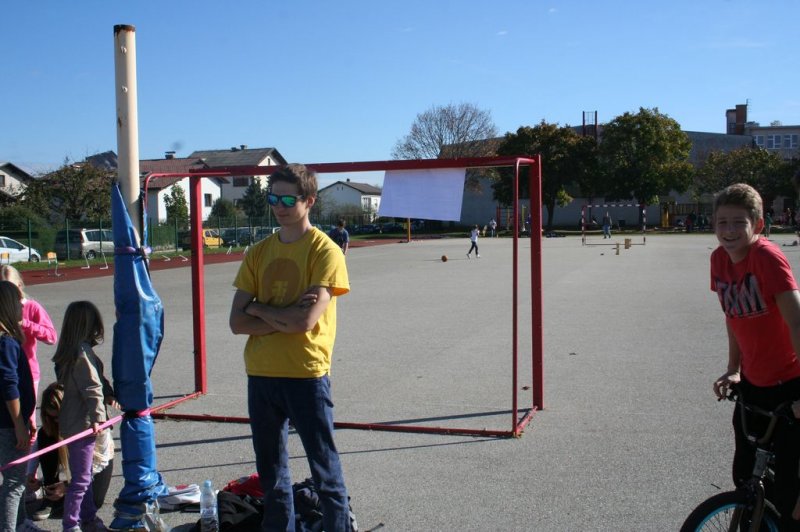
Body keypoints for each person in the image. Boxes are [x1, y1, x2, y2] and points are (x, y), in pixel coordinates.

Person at [229, 164, 352, 531]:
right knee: (271, 473)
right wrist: (283, 316)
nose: (278, 207)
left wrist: (259, 308)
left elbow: (305, 322)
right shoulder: (258, 252)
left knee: (324, 469)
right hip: (261, 374)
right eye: (273, 198)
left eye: (287, 200)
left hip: (306, 374)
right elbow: (236, 322)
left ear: (309, 201)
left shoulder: (325, 251)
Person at [709, 183, 800, 527]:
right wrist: (734, 368)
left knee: (788, 490)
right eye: (722, 222)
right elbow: (733, 315)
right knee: (746, 478)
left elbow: (797, 322)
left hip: (790, 384)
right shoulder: (719, 260)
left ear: (758, 225)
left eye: (739, 222)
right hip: (754, 384)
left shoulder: (767, 258)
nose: (729, 230)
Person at [52, 301, 116, 532]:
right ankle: (71, 524)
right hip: (83, 424)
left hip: (75, 423)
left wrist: (108, 396)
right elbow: (91, 386)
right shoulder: (81, 353)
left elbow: (97, 383)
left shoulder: (72, 352)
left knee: (85, 476)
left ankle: (88, 518)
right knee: (80, 479)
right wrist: (99, 418)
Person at [24, 382, 114, 522]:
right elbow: (37, 447)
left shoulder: (94, 420)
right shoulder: (51, 425)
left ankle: (64, 492)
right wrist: (30, 473)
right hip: (71, 464)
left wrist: (68, 486)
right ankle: (51, 493)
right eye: (51, 417)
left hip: (98, 463)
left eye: (58, 417)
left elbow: (101, 461)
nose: (56, 422)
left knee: (94, 501)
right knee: (45, 435)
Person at [0, 281, 41, 532]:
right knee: (14, 482)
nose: (22, 306)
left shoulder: (9, 340)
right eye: (18, 302)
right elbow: (9, 385)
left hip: (14, 421)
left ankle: (20, 522)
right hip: (7, 423)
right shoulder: (6, 342)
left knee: (17, 478)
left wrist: (26, 420)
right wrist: (18, 425)